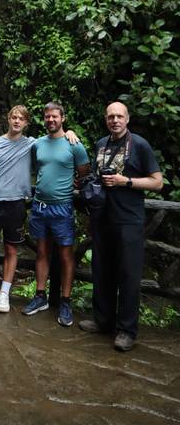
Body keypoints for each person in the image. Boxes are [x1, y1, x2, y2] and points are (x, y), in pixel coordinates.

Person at [0, 106, 79, 315]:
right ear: (8, 118)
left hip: (17, 204)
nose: (16, 121)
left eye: (21, 118)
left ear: (26, 123)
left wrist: (69, 132)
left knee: (12, 249)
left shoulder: (32, 144)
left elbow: (54, 140)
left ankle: (4, 292)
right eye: (13, 117)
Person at [79, 101, 163, 352]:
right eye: (110, 116)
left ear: (127, 119)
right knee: (102, 270)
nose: (114, 120)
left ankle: (127, 330)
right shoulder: (101, 144)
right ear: (106, 120)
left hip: (129, 219)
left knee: (128, 274)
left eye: (119, 116)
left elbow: (157, 183)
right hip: (102, 217)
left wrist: (125, 181)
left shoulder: (139, 145)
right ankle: (103, 321)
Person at [22, 101, 90, 327]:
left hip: (62, 206)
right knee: (41, 252)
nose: (51, 120)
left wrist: (74, 184)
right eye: (47, 117)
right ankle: (40, 296)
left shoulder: (74, 144)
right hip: (40, 206)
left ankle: (65, 301)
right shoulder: (38, 144)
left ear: (63, 118)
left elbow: (84, 171)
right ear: (44, 119)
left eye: (55, 117)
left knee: (65, 255)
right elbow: (36, 168)